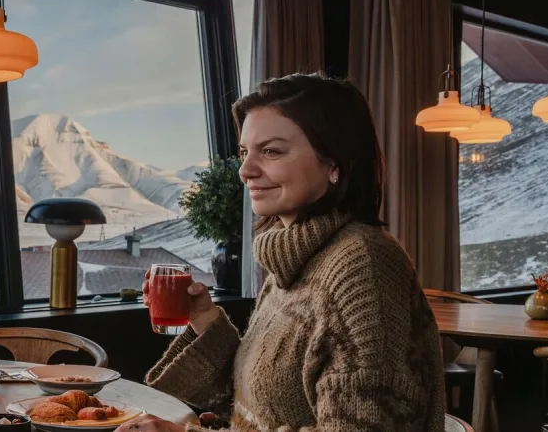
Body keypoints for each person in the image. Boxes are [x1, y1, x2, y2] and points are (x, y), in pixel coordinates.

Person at [118, 73, 445, 432]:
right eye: (245, 152)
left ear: (334, 163)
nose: (245, 170)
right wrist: (205, 319)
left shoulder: (363, 265)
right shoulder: (295, 255)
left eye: (271, 151)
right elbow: (260, 400)